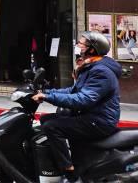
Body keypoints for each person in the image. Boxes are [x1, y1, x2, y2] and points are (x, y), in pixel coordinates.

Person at [32, 31, 121, 183]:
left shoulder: (101, 71)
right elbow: (73, 91)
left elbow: (83, 99)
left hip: (99, 120)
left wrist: (49, 97)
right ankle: (72, 159)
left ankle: (68, 170)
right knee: (46, 119)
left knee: (52, 127)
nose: (77, 46)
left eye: (81, 44)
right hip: (90, 115)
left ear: (92, 49)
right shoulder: (91, 66)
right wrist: (47, 93)